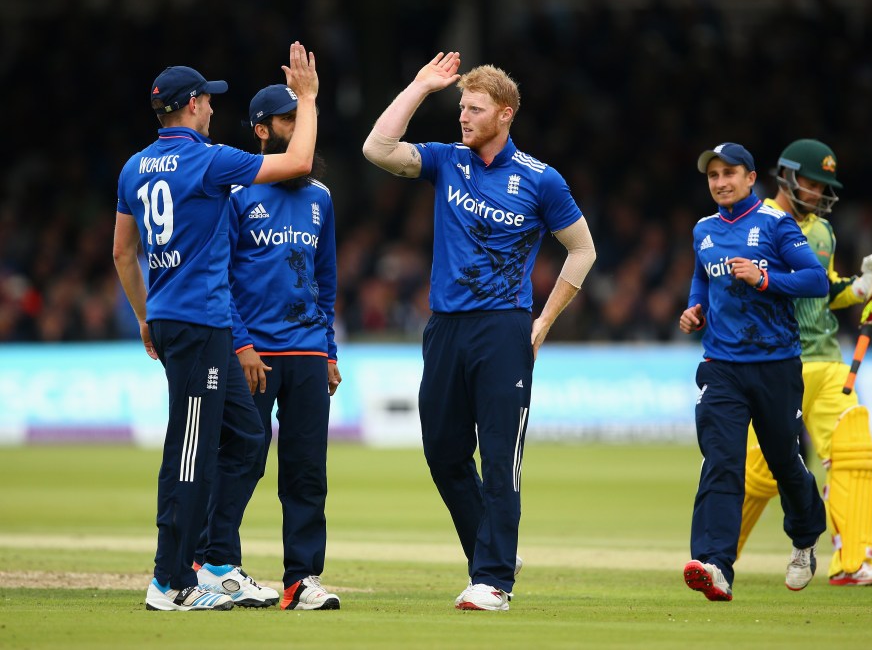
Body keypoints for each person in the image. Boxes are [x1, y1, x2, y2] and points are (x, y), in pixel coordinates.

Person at [361, 52, 596, 611]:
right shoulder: (448, 160)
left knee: (499, 458)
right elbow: (376, 149)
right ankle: (490, 558)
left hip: (503, 329)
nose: (463, 117)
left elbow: (582, 251)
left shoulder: (541, 180)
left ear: (505, 114)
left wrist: (543, 321)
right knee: (443, 452)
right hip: (444, 327)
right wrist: (420, 85)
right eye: (461, 107)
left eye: (475, 108)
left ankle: (493, 580)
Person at [113, 43, 319, 612]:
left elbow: (122, 253)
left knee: (249, 438)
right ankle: (169, 582)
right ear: (193, 105)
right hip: (200, 322)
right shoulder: (208, 160)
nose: (212, 107)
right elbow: (298, 162)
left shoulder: (134, 166)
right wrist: (307, 100)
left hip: (180, 320)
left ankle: (213, 562)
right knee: (189, 449)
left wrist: (144, 316)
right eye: (207, 99)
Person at [735, 138, 872, 586]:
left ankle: (852, 563)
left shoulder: (821, 231)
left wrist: (867, 287)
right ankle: (716, 555)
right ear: (789, 177)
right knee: (761, 473)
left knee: (854, 448)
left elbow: (824, 292)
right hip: (778, 361)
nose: (818, 193)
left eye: (823, 186)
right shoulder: (757, 224)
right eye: (813, 184)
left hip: (828, 362)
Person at [200, 83, 341, 611]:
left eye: (305, 117)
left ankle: (300, 580)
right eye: (289, 120)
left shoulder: (321, 198)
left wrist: (328, 350)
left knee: (306, 471)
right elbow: (219, 276)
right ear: (262, 130)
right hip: (253, 353)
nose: (302, 128)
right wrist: (241, 345)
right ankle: (215, 566)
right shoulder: (236, 194)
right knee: (240, 462)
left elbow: (325, 281)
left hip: (306, 352)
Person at [678, 142, 828, 602]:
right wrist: (693, 309)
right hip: (721, 366)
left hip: (775, 365)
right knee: (721, 461)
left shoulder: (775, 224)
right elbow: (702, 277)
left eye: (729, 173)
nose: (720, 182)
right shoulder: (703, 229)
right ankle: (714, 564)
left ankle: (804, 539)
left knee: (785, 462)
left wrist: (765, 279)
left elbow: (815, 280)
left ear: (750, 177)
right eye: (713, 175)